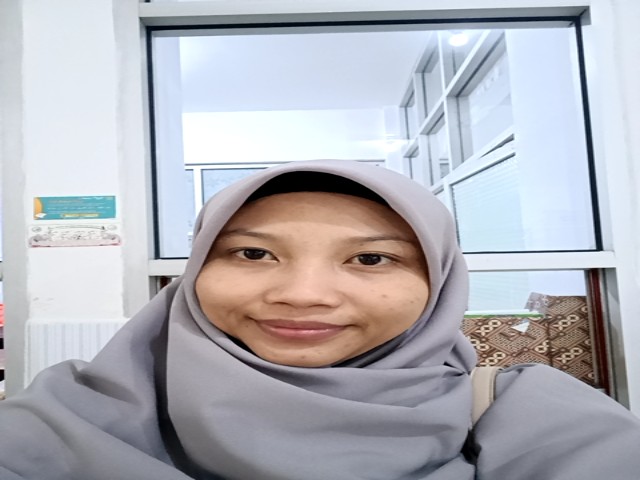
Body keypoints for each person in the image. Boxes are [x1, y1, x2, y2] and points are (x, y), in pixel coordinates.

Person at [0, 160, 639, 479]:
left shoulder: (527, 414)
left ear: (439, 280)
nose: (303, 295)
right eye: (253, 254)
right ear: (194, 271)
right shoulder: (68, 412)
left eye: (371, 259)